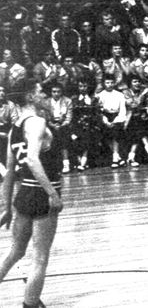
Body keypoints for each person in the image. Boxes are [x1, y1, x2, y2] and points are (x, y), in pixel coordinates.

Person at [0, 82, 63, 308]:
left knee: (15, 251)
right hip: (40, 194)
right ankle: (30, 304)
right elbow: (32, 160)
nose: (45, 96)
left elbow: (9, 171)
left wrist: (6, 206)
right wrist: (52, 194)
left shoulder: (14, 128)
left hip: (24, 193)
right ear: (30, 96)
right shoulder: (37, 122)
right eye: (41, 93)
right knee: (40, 258)